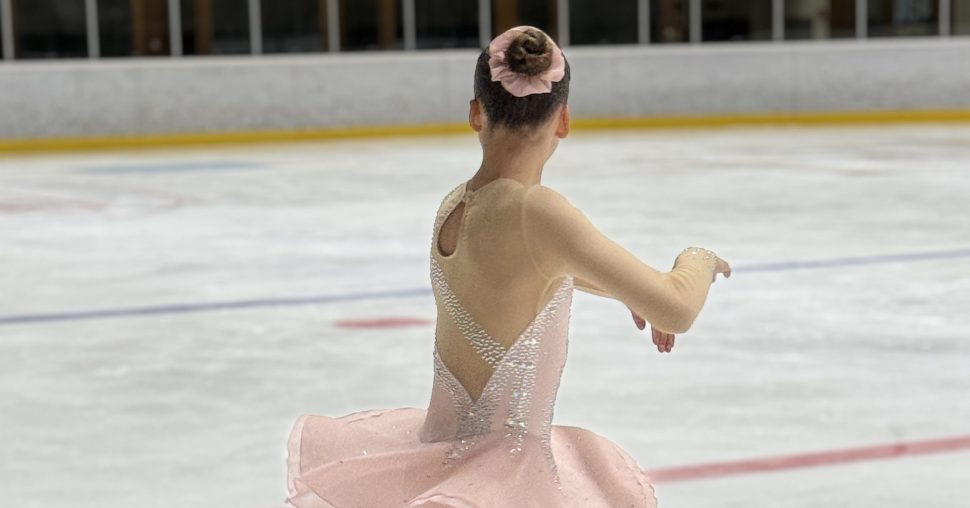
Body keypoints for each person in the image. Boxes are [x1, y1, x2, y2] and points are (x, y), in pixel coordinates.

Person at [284, 25, 731, 507]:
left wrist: (625, 290)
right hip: (502, 479)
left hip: (441, 458)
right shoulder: (535, 212)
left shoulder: (457, 204)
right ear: (562, 121)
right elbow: (677, 309)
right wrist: (698, 259)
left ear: (476, 113)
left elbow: (533, 275)